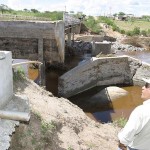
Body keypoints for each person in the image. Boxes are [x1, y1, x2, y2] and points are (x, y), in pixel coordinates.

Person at [118, 78, 150, 150]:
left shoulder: (141, 110)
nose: (143, 88)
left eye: (146, 85)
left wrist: (122, 145)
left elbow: (127, 134)